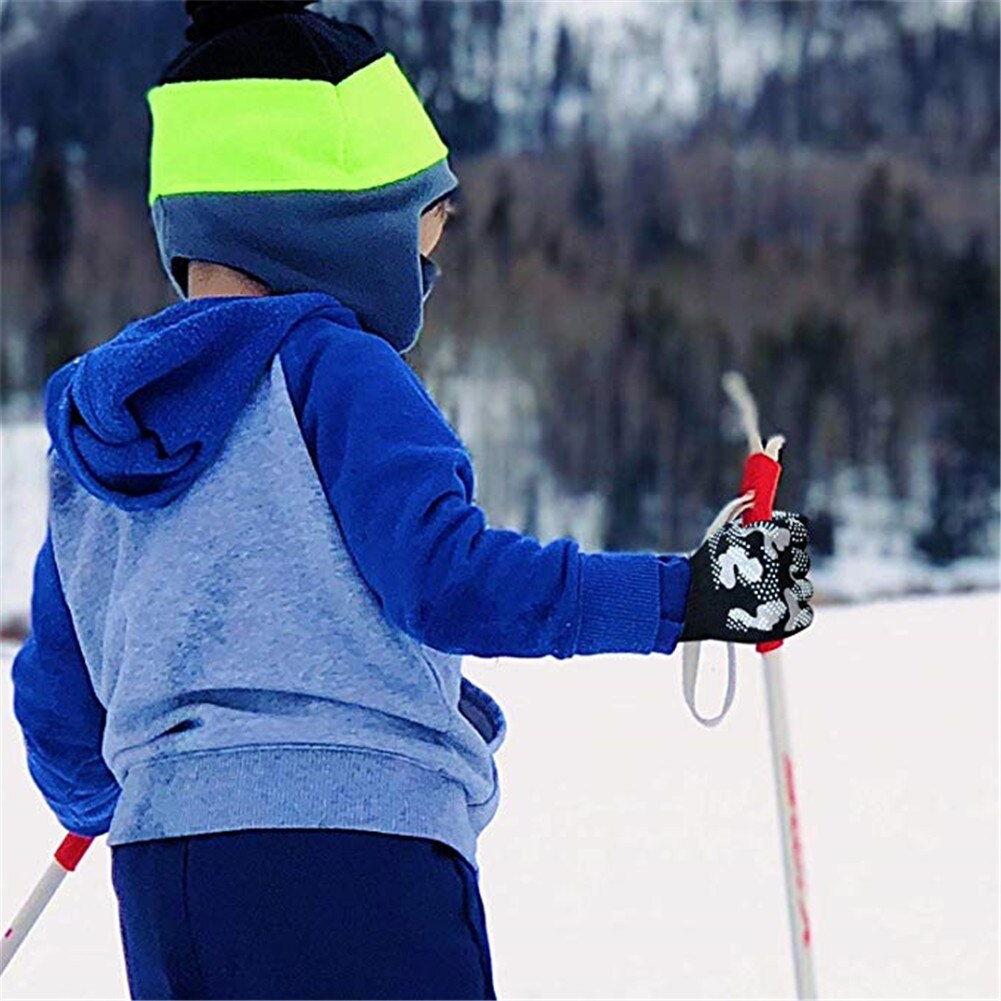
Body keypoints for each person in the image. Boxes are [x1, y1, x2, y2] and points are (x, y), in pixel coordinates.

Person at [9, 3, 814, 999]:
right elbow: (446, 581)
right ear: (334, 218)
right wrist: (688, 595)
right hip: (358, 857)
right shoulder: (331, 366)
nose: (428, 269)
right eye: (420, 231)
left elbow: (56, 695)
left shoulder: (93, 425)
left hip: (163, 875)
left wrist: (129, 797)